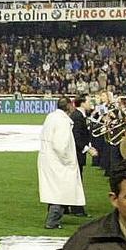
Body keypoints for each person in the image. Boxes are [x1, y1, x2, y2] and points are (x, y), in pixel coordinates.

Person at [38, 98, 87, 229]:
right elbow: (60, 145)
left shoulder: (51, 117)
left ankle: (54, 219)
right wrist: (68, 160)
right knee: (62, 191)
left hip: (48, 158)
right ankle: (52, 221)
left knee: (56, 190)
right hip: (58, 161)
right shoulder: (63, 122)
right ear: (69, 106)